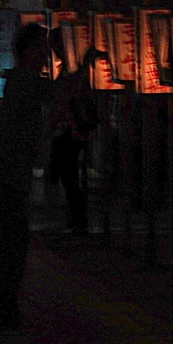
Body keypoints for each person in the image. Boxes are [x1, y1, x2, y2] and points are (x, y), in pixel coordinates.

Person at [0, 25, 95, 332]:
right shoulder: (24, 81)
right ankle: (7, 313)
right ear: (31, 50)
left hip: (6, 174)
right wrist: (81, 64)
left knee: (9, 246)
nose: (47, 54)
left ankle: (7, 311)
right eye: (43, 47)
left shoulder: (21, 81)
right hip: (7, 176)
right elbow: (60, 92)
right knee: (11, 247)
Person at [49, 92, 97, 236]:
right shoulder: (78, 104)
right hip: (72, 143)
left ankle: (77, 220)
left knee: (70, 183)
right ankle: (77, 220)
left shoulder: (71, 105)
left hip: (68, 144)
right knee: (71, 183)